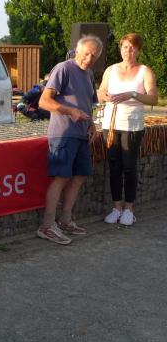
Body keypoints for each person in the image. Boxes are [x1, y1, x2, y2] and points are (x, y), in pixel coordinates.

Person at [36, 35, 103, 245]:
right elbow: (43, 102)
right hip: (63, 133)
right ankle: (47, 226)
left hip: (82, 134)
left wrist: (92, 125)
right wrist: (70, 111)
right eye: (86, 54)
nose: (89, 59)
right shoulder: (63, 68)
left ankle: (65, 220)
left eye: (94, 56)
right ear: (77, 50)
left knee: (80, 176)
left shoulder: (89, 74)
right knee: (61, 177)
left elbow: (87, 104)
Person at [97, 33, 158, 226]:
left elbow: (153, 99)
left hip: (132, 125)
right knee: (114, 166)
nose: (128, 51)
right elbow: (100, 92)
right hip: (111, 124)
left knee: (129, 166)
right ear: (120, 48)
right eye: (125, 47)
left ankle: (129, 209)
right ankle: (116, 207)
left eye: (132, 48)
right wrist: (104, 96)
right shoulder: (111, 70)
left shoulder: (145, 71)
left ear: (138, 51)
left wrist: (132, 94)